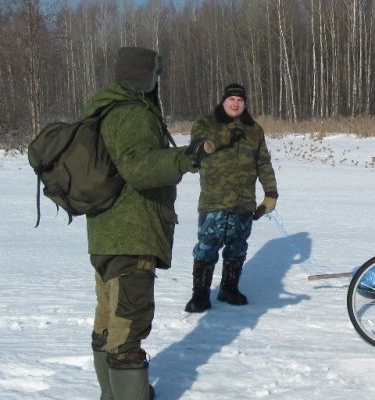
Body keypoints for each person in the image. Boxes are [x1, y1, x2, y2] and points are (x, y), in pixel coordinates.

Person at [87, 47, 209, 399]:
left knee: (109, 322)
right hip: (132, 237)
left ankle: (111, 395)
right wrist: (185, 158)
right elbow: (139, 168)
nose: (159, 81)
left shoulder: (103, 109)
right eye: (156, 74)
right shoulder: (133, 113)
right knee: (128, 327)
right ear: (144, 77)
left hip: (106, 235)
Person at [184, 83, 279, 313]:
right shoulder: (206, 123)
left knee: (237, 247)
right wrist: (227, 134)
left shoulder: (254, 130)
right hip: (214, 200)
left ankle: (229, 288)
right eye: (231, 99)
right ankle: (200, 294)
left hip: (244, 201)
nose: (236, 103)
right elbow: (196, 149)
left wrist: (270, 193)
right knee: (207, 247)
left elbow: (263, 162)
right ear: (223, 101)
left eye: (240, 99)